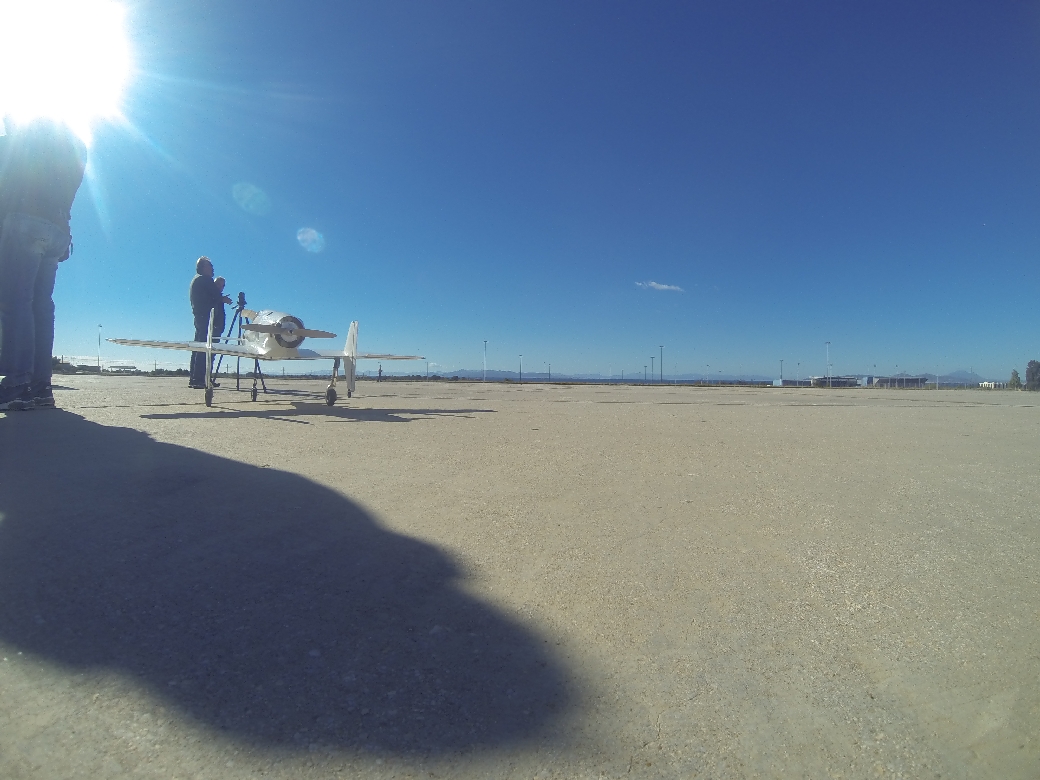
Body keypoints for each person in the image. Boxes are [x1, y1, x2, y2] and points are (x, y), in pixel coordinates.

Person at [0, 117, 86, 411]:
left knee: (16, 301)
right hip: (58, 228)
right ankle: (41, 386)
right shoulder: (75, 146)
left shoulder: (20, 142)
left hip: (25, 220)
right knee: (41, 306)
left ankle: (16, 385)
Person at [188, 256, 231, 389]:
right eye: (210, 266)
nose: (212, 268)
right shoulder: (204, 280)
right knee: (205, 349)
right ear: (203, 267)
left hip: (201, 318)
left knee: (199, 348)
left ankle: (197, 378)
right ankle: (200, 379)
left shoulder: (197, 280)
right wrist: (222, 299)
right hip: (206, 319)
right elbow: (215, 296)